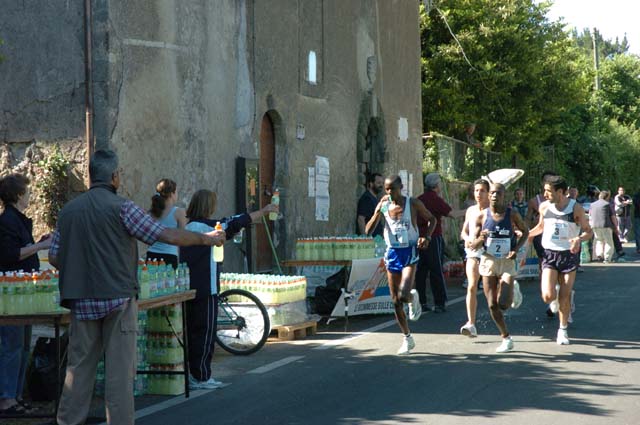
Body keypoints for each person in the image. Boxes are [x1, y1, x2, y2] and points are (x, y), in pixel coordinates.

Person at [48, 150, 226, 425]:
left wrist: (83, 270)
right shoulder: (123, 208)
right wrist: (207, 239)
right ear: (115, 176)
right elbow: (164, 234)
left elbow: (54, 256)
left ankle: (68, 422)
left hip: (81, 298)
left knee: (78, 369)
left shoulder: (69, 211)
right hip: (118, 297)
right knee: (119, 374)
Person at [179, 190, 277, 389]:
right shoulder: (211, 227)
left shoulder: (187, 227)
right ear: (209, 207)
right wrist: (265, 210)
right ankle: (201, 377)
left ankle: (195, 374)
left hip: (188, 286)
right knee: (205, 333)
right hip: (206, 286)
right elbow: (238, 221)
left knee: (193, 332)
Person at [0, 174, 52, 415]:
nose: (31, 195)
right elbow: (11, 254)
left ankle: (17, 395)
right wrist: (40, 246)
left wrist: (40, 241)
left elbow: (23, 249)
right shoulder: (8, 221)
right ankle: (7, 398)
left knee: (22, 347)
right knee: (12, 345)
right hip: (13, 293)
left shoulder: (19, 221)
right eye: (28, 191)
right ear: (19, 195)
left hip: (25, 291)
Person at [366, 175, 435, 355]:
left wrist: (426, 236)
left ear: (401, 187)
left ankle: (412, 298)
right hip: (392, 252)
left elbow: (432, 219)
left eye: (393, 189)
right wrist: (378, 212)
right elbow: (368, 230)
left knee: (404, 293)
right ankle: (407, 338)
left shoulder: (412, 204)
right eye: (387, 189)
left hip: (410, 250)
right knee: (396, 301)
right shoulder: (384, 205)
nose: (389, 192)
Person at [527, 176, 592, 346]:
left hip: (569, 254)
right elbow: (540, 227)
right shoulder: (544, 207)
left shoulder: (575, 208)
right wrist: (526, 234)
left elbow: (588, 231)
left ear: (560, 192)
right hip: (549, 253)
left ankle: (562, 330)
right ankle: (559, 298)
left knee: (564, 295)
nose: (545, 194)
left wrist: (578, 239)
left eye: (548, 191)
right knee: (548, 296)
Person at [469, 183, 528, 352]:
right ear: (489, 196)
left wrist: (516, 250)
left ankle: (512, 290)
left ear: (504, 196)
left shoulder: (512, 214)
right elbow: (473, 244)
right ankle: (506, 338)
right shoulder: (482, 216)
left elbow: (525, 231)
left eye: (498, 193)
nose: (495, 196)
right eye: (492, 193)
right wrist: (481, 238)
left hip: (507, 261)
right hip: (488, 261)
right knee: (492, 305)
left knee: (503, 304)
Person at [415, 173, 465, 313]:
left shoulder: (419, 199)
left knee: (421, 272)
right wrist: (471, 210)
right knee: (436, 270)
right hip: (433, 237)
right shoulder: (435, 200)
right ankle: (439, 302)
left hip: (419, 238)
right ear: (436, 186)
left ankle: (421, 302)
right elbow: (453, 214)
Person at [459, 179, 490, 338]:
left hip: (488, 253)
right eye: (476, 190)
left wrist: (480, 240)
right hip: (472, 253)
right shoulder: (470, 210)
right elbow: (463, 231)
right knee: (471, 286)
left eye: (482, 190)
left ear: (488, 193)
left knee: (490, 292)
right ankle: (471, 324)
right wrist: (467, 239)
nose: (478, 194)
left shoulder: (491, 211)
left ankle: (512, 288)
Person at [146, 178, 187, 268]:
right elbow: (183, 237)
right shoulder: (179, 212)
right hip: (169, 256)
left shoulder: (151, 212)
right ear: (172, 194)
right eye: (176, 192)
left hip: (151, 256)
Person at [589, 191, 616, 263]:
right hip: (606, 225)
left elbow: (590, 215)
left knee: (599, 240)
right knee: (608, 242)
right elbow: (612, 216)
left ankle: (599, 255)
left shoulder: (592, 204)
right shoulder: (607, 204)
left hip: (594, 225)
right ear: (607, 197)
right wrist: (616, 226)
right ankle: (607, 258)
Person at [633, 189, 640, 254]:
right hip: (638, 215)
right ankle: (639, 248)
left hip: (637, 215)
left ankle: (639, 248)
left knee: (638, 233)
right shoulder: (636, 195)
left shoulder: (636, 195)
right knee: (638, 233)